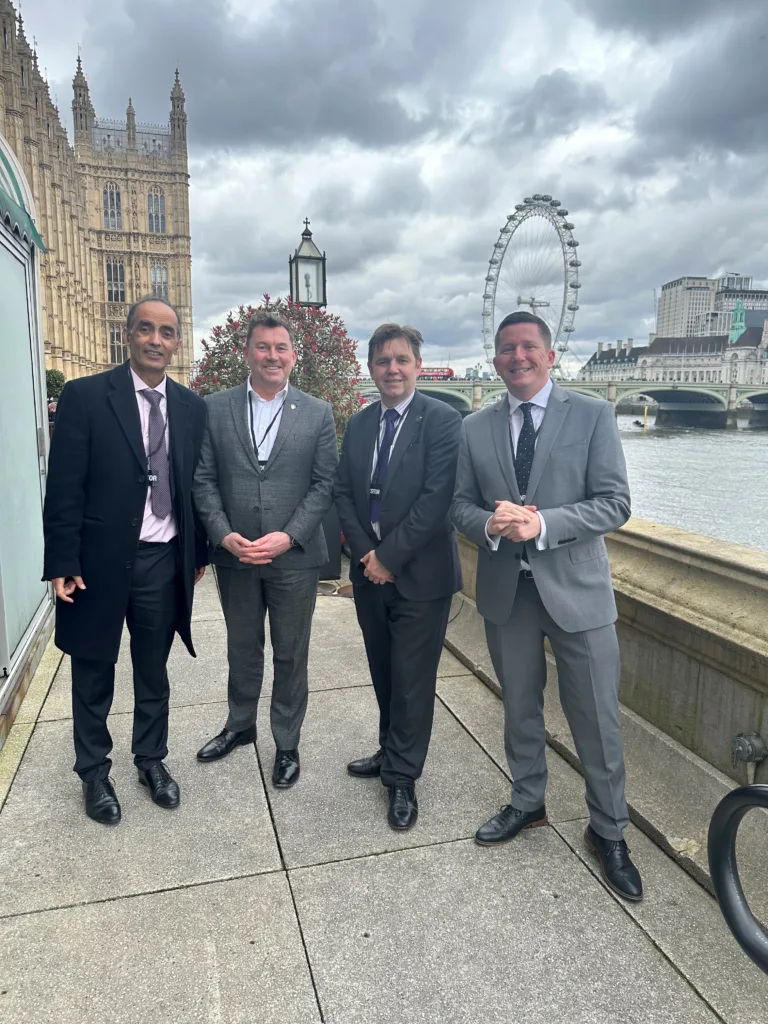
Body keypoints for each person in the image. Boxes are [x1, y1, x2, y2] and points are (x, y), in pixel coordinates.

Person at [451, 311, 643, 902]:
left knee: (596, 718)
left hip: (578, 593)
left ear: (550, 354)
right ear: (497, 357)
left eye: (528, 346)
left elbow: (615, 504)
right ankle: (527, 801)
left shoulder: (591, 415)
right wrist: (491, 524)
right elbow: (460, 506)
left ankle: (608, 830)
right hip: (509, 594)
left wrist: (542, 523)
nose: (517, 357)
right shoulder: (475, 427)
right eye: (506, 348)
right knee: (518, 709)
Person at [42, 298, 208, 825]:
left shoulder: (190, 406)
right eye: (145, 330)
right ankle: (93, 772)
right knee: (93, 669)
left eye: (166, 332)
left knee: (153, 669)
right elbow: (64, 488)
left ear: (176, 342)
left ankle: (151, 760)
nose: (155, 340)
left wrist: (197, 554)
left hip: (163, 560)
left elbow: (194, 487)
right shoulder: (87, 397)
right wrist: (62, 560)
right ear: (128, 335)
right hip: (97, 562)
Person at [193, 312, 337, 787]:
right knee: (242, 647)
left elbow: (323, 485)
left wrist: (289, 536)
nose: (272, 356)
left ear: (294, 356)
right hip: (235, 555)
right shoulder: (214, 408)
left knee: (291, 653)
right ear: (247, 352)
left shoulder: (317, 412)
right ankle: (240, 726)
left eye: (281, 348)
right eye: (262, 347)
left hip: (293, 558)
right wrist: (222, 533)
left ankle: (287, 742)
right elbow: (204, 479)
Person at [334, 323, 462, 830]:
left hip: (421, 576)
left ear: (417, 366)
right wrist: (367, 555)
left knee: (412, 680)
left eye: (402, 360)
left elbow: (436, 502)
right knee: (384, 671)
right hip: (370, 574)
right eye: (383, 361)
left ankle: (403, 779)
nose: (392, 369)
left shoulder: (443, 421)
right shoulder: (362, 423)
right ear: (370, 368)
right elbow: (345, 493)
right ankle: (390, 752)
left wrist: (389, 557)